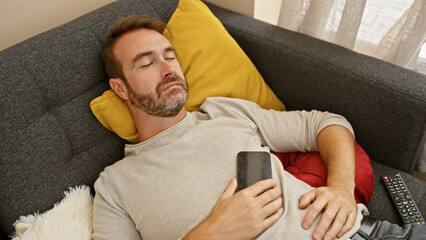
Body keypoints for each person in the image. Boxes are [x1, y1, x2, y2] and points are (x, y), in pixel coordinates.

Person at [92, 15, 424, 240]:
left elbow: (328, 123)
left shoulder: (223, 112)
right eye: (147, 63)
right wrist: (211, 233)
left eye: (170, 56)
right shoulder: (114, 186)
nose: (168, 69)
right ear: (120, 88)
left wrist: (340, 188)